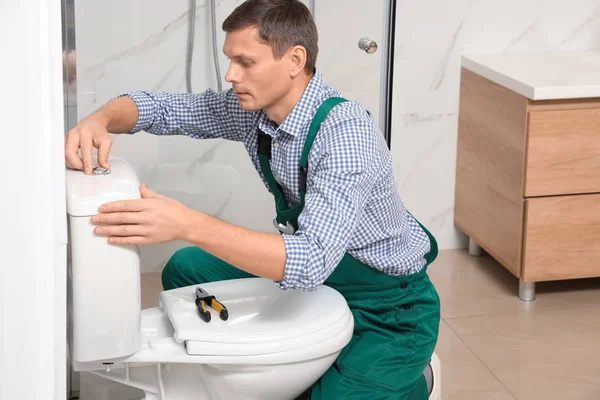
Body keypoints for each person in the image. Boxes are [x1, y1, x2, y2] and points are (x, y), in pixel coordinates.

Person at [64, 0, 441, 398]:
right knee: (186, 271)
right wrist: (99, 119)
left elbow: (310, 261)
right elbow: (162, 109)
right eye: (230, 60)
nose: (231, 75)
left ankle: (410, 381)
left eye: (245, 62)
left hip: (389, 307)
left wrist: (187, 223)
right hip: (320, 281)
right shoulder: (253, 112)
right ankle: (314, 365)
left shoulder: (345, 136)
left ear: (295, 60)